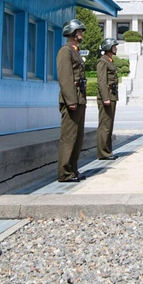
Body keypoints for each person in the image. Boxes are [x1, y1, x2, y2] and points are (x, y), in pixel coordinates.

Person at [56, 21, 89, 182]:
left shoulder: (74, 51)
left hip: (79, 97)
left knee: (78, 137)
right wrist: (71, 100)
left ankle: (73, 169)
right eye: (79, 31)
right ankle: (64, 173)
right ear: (73, 32)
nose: (82, 34)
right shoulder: (65, 51)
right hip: (72, 99)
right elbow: (65, 78)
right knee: (69, 137)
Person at [95, 38, 120, 161]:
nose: (116, 48)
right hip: (107, 96)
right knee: (105, 125)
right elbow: (101, 81)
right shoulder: (103, 62)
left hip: (112, 95)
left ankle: (107, 151)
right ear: (109, 48)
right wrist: (105, 97)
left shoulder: (110, 61)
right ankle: (103, 153)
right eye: (114, 46)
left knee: (109, 125)